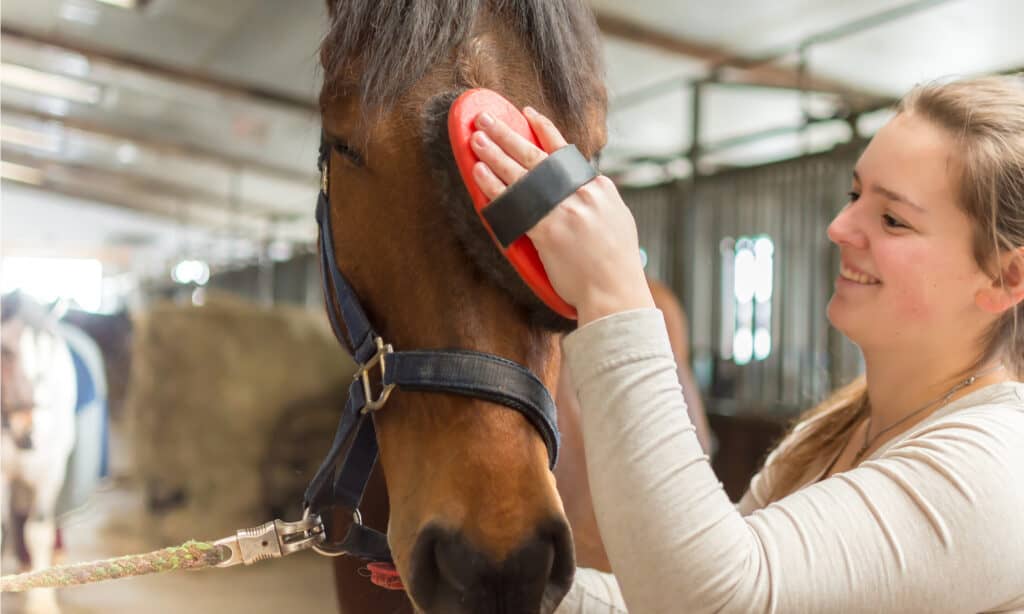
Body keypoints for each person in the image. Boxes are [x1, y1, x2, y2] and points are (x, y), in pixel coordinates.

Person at [469, 75, 1024, 613]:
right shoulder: (833, 431)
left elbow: (711, 600)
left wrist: (612, 286)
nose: (838, 226)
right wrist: (498, 583)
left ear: (1005, 278)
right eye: (853, 194)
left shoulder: (999, 468)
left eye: (892, 219)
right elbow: (656, 592)